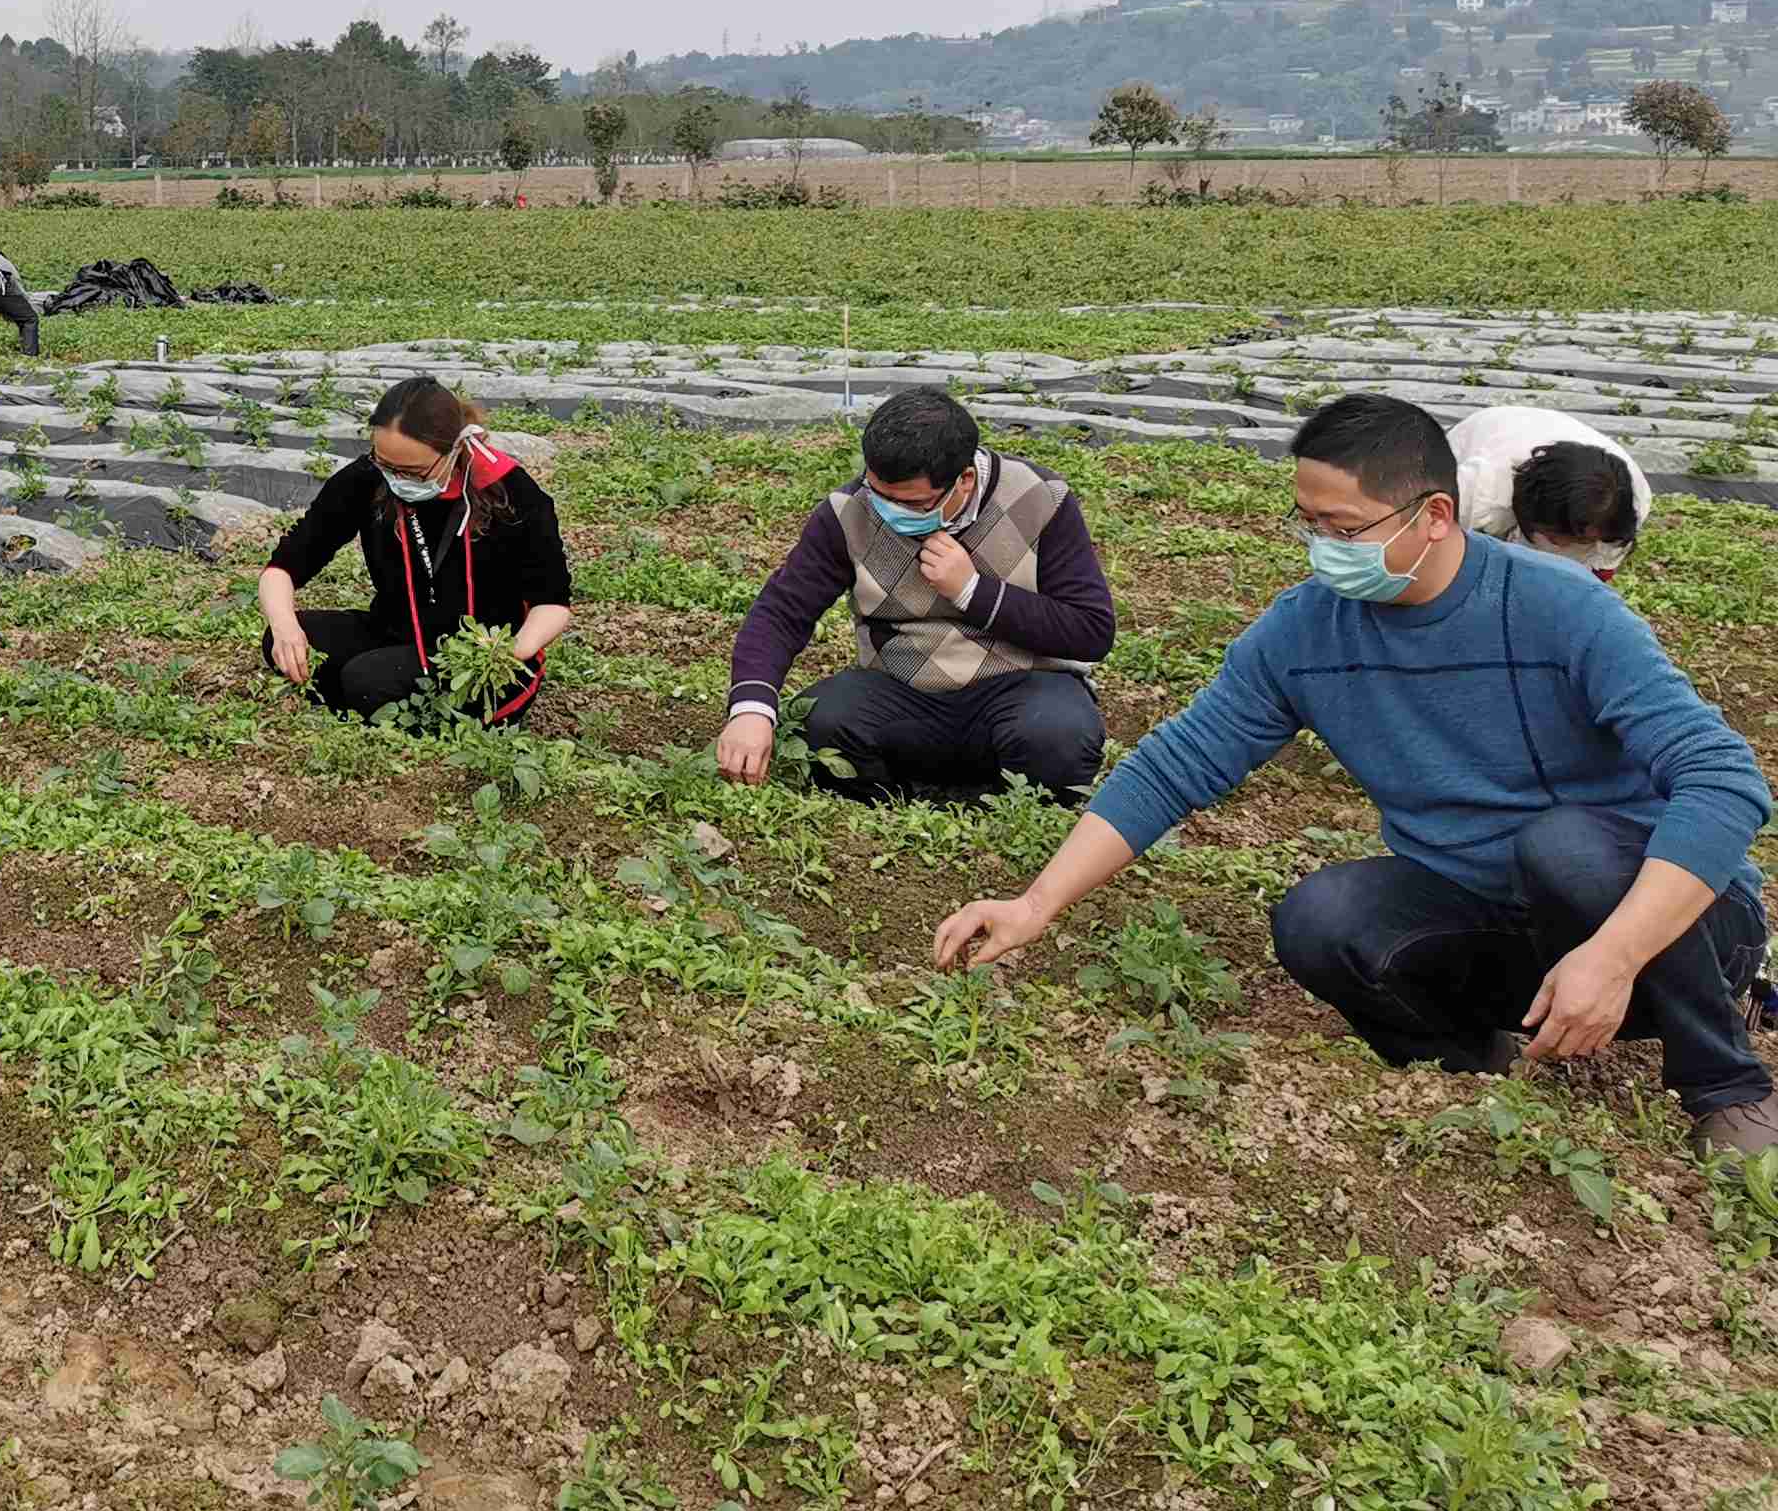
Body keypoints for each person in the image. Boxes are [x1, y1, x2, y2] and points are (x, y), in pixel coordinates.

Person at [938, 393, 1778, 1155]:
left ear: (1435, 516)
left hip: (1669, 927)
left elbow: (1722, 779)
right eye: (1307, 523)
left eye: (1344, 529)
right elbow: (1176, 765)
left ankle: (1727, 1087)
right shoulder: (1308, 633)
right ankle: (1475, 1057)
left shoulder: (1561, 608)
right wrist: (1035, 902)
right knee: (1324, 918)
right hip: (1497, 915)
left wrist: (1617, 952)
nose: (1323, 550)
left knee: (1565, 848)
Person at [714, 386, 1112, 803]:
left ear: (965, 480)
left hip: (1021, 691)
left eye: (913, 504)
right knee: (819, 723)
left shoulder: (1039, 497)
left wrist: (972, 591)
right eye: (880, 495)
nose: (890, 512)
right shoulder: (850, 511)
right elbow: (782, 611)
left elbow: (1091, 631)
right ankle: (910, 797)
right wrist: (752, 708)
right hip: (902, 694)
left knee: (1060, 738)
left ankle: (987, 798)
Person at [256, 378, 571, 723]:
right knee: (286, 641)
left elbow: (552, 603)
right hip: (397, 631)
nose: (396, 479)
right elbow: (285, 566)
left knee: (366, 681)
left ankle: (377, 698)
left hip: (477, 649)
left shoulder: (510, 492)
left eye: (413, 472)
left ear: (454, 448)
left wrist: (507, 653)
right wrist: (284, 627)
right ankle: (374, 695)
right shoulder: (367, 477)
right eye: (386, 464)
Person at [1451, 404, 1652, 580]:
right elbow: (1436, 543)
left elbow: (1594, 577)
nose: (1562, 545)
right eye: (1556, 534)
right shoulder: (1478, 488)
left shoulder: (1627, 509)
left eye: (1581, 539)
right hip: (1491, 430)